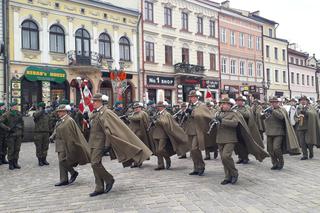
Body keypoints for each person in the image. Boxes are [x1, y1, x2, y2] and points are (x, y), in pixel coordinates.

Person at [88, 93, 152, 197]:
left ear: (100, 102)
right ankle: (99, 187)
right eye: (93, 101)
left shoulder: (107, 112)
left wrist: (107, 145)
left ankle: (109, 179)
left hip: (101, 142)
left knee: (95, 163)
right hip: (93, 141)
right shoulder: (96, 112)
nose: (93, 103)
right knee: (95, 164)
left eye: (95, 101)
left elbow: (111, 129)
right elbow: (92, 119)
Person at [214, 98, 269, 185]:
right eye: (222, 104)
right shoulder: (218, 113)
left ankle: (234, 173)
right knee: (223, 160)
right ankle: (227, 176)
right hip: (220, 138)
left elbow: (234, 123)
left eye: (224, 104)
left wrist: (222, 120)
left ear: (229, 105)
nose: (222, 105)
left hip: (230, 138)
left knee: (226, 156)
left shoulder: (234, 113)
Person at [50, 104, 91, 187]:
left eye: (60, 111)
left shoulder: (69, 120)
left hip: (66, 143)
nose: (59, 113)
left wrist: (71, 145)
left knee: (62, 160)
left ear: (65, 112)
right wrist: (52, 136)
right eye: (58, 112)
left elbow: (71, 133)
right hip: (60, 143)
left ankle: (73, 173)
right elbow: (57, 129)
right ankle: (64, 179)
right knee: (61, 162)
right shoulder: (60, 120)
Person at [261, 97, 300, 170]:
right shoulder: (268, 110)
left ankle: (281, 162)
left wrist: (273, 111)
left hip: (279, 132)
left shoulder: (281, 109)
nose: (273, 104)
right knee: (270, 150)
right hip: (269, 132)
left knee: (276, 148)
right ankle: (275, 163)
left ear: (278, 103)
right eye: (272, 102)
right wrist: (263, 114)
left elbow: (281, 117)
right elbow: (263, 118)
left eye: (275, 102)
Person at [150, 101, 189, 170]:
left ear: (164, 107)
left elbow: (166, 123)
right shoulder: (157, 113)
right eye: (158, 106)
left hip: (163, 134)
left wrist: (157, 120)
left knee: (160, 149)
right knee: (157, 151)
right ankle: (160, 165)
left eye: (161, 106)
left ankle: (167, 159)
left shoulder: (166, 114)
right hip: (155, 133)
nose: (159, 108)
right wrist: (152, 121)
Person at [183, 90, 213, 176]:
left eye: (193, 97)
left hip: (198, 130)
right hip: (190, 130)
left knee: (194, 148)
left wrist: (192, 112)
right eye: (190, 97)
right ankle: (196, 167)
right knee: (192, 151)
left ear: (197, 97)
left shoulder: (201, 105)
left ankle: (201, 166)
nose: (191, 99)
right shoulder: (190, 105)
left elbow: (205, 115)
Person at [234, 96, 264, 164]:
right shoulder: (234, 108)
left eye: (240, 100)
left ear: (243, 101)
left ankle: (245, 158)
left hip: (245, 128)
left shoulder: (246, 108)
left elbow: (248, 115)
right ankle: (240, 157)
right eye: (237, 100)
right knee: (238, 144)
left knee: (245, 143)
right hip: (237, 127)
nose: (238, 102)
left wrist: (238, 112)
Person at [295, 96, 320, 160]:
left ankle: (311, 152)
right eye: (301, 100)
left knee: (308, 141)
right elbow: (295, 116)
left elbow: (314, 114)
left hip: (308, 127)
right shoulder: (298, 108)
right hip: (300, 127)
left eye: (304, 100)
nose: (303, 101)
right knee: (302, 142)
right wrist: (296, 119)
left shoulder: (310, 107)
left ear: (307, 101)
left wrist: (306, 113)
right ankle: (305, 155)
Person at [0, 102, 24, 170]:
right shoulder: (7, 114)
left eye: (16, 106)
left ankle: (15, 163)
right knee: (11, 150)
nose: (16, 107)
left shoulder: (19, 114)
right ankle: (11, 164)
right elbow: (1, 122)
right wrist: (7, 128)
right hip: (11, 135)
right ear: (11, 107)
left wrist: (22, 133)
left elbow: (22, 124)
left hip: (18, 134)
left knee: (17, 149)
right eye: (14, 106)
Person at [33, 102, 50, 166]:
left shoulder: (46, 114)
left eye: (43, 107)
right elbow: (35, 116)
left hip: (46, 132)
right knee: (39, 147)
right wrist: (41, 110)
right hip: (38, 133)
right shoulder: (36, 113)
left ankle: (44, 159)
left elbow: (49, 122)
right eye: (42, 107)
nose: (43, 108)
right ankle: (40, 160)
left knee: (45, 147)